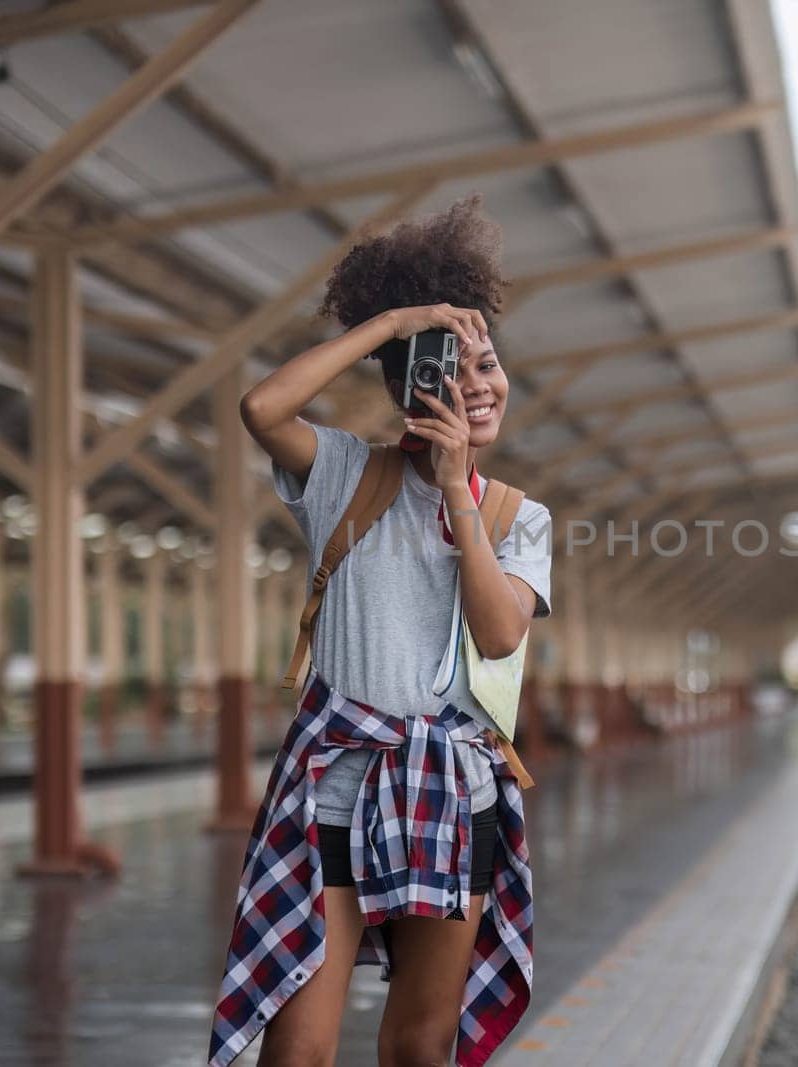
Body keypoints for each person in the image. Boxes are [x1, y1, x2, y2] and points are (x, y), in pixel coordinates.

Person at [208, 196, 553, 1067]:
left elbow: (501, 633)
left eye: (489, 363)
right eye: (452, 367)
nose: (478, 383)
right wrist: (394, 322)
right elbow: (261, 407)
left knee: (418, 1046)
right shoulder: (345, 475)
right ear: (410, 388)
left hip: (453, 791)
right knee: (298, 1052)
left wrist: (453, 490)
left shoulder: (519, 516)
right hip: (335, 790)